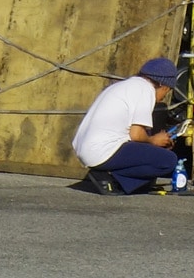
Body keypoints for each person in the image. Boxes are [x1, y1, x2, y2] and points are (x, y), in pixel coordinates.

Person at [72, 57, 180, 195]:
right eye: (167, 91)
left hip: (87, 150)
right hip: (102, 151)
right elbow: (136, 134)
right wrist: (154, 140)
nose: (164, 97)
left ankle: (107, 176)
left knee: (154, 154)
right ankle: (110, 178)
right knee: (168, 160)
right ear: (162, 85)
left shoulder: (124, 85)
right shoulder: (146, 90)